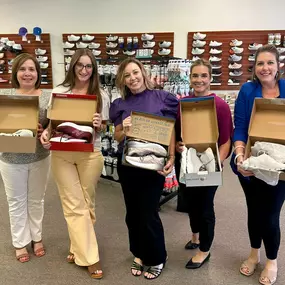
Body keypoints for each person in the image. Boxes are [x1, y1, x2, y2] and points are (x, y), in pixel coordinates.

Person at [40, 49, 109, 279]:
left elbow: (104, 129)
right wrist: (46, 135)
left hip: (90, 153)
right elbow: (52, 124)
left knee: (86, 203)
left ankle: (76, 246)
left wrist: (100, 124)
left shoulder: (100, 94)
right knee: (73, 203)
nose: (84, 70)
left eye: (88, 66)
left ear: (94, 69)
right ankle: (90, 257)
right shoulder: (59, 92)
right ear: (72, 66)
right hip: (62, 154)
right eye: (79, 65)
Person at [109, 58, 178, 280]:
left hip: (153, 166)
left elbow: (170, 129)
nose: (133, 78)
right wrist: (125, 130)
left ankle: (157, 256)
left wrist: (172, 156)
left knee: (149, 213)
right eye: (127, 75)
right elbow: (117, 136)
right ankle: (138, 252)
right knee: (133, 213)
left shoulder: (163, 98)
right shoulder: (120, 104)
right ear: (122, 80)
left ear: (143, 73)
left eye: (135, 72)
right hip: (128, 165)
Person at [230, 44, 285, 285]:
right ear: (255, 67)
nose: (265, 68)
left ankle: (272, 259)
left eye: (270, 63)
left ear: (278, 66)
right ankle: (254, 253)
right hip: (251, 163)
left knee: (271, 215)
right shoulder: (247, 90)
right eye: (260, 63)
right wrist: (239, 155)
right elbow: (240, 126)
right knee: (254, 210)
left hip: (280, 166)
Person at [175, 59, 233, 269]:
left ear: (210, 78)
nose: (199, 80)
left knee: (205, 207)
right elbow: (179, 135)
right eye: (195, 76)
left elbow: (226, 140)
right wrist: (179, 146)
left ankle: (204, 250)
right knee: (190, 203)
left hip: (209, 163)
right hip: (186, 162)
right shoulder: (183, 104)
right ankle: (196, 237)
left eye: (203, 76)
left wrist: (217, 163)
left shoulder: (220, 106)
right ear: (189, 78)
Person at [0, 53, 50, 262]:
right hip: (10, 157)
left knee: (36, 200)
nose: (27, 74)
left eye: (31, 69)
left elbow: (53, 124)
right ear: (16, 73)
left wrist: (45, 131)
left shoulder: (47, 96)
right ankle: (20, 242)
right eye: (22, 69)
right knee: (16, 201)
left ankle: (36, 238)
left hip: (39, 156)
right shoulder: (4, 95)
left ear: (37, 73)